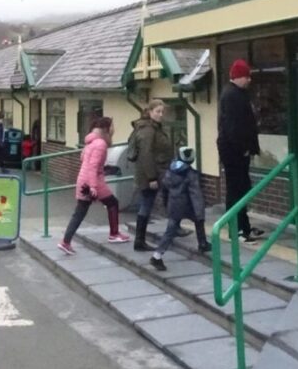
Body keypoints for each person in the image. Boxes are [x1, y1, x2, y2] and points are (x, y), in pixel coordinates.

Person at [57, 116, 131, 253]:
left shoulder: (90, 142)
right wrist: (93, 187)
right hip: (92, 182)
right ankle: (114, 234)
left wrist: (104, 170)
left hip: (84, 179)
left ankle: (65, 242)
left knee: (80, 212)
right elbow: (93, 166)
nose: (113, 130)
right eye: (112, 127)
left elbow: (84, 159)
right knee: (112, 203)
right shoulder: (101, 144)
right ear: (106, 129)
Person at [217, 59, 264, 244]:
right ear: (238, 77)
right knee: (237, 189)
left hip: (235, 151)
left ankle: (243, 226)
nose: (249, 79)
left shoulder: (235, 94)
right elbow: (233, 127)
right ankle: (237, 230)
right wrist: (243, 148)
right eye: (246, 76)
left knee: (241, 189)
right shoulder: (232, 96)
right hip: (235, 152)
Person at [150, 147, 210, 270]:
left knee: (170, 231)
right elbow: (196, 195)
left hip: (174, 204)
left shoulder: (171, 170)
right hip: (188, 205)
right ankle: (202, 243)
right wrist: (200, 212)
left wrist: (166, 204)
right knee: (199, 221)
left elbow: (165, 188)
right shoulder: (191, 174)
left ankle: (157, 255)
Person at [130, 99, 174, 251]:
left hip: (155, 172)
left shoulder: (153, 127)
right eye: (157, 111)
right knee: (147, 205)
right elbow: (146, 154)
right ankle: (139, 240)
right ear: (150, 112)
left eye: (162, 112)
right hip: (151, 174)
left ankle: (140, 240)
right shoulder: (148, 130)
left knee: (147, 204)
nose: (161, 115)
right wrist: (152, 178)